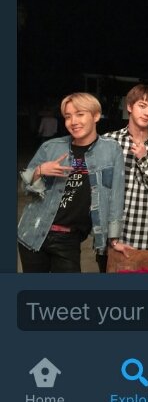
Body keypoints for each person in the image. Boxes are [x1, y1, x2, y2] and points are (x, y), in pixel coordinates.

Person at [18, 92, 126, 273]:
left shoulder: (111, 149)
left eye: (80, 114)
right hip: (33, 232)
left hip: (69, 238)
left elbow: (116, 195)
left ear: (96, 116)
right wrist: (39, 171)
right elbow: (26, 189)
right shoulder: (51, 147)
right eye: (68, 116)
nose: (73, 121)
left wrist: (113, 239)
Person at [102, 84, 148, 261]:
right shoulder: (109, 141)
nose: (147, 113)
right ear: (129, 106)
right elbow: (100, 190)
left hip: (144, 234)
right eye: (142, 106)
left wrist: (144, 159)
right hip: (110, 235)